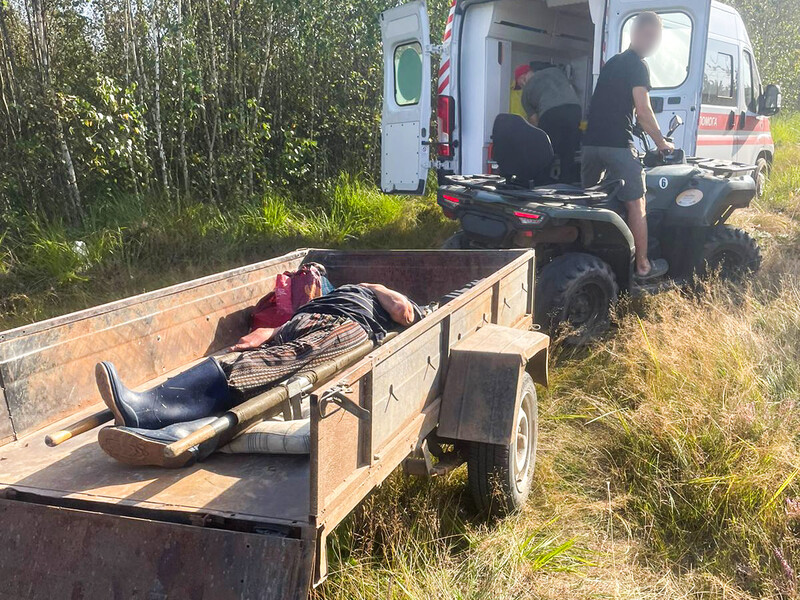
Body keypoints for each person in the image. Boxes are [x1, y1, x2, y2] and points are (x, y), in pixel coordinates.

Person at [95, 283, 423, 466]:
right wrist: (268, 330)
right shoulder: (346, 292)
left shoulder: (373, 293)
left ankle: (154, 416)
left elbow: (404, 313)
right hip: (309, 322)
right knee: (253, 358)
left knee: (265, 366)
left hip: (344, 329)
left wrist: (377, 287)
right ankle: (156, 414)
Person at [582, 11, 673, 282]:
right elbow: (643, 111)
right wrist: (662, 143)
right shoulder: (638, 65)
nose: (653, 42)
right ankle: (643, 265)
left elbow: (608, 104)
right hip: (617, 144)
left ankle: (587, 250)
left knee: (590, 200)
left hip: (590, 145)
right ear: (637, 35)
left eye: (656, 38)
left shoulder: (612, 62)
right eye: (651, 36)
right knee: (637, 202)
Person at [516, 63, 582, 183]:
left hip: (551, 114)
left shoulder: (525, 94)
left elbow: (535, 125)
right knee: (568, 152)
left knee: (546, 152)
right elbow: (570, 89)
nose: (522, 85)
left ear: (524, 77)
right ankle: (566, 185)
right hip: (575, 109)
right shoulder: (555, 71)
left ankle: (543, 185)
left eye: (520, 82)